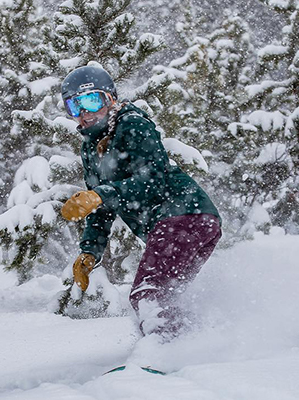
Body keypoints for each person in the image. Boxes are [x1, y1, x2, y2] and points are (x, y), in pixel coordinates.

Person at [60, 65, 221, 340]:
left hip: (184, 215)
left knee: (150, 290)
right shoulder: (90, 147)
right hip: (185, 224)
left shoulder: (131, 123)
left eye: (91, 101)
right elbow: (99, 208)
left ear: (110, 99)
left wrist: (102, 194)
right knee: (170, 294)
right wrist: (89, 252)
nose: (85, 112)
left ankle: (160, 352)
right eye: (75, 106)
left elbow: (152, 179)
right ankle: (193, 344)